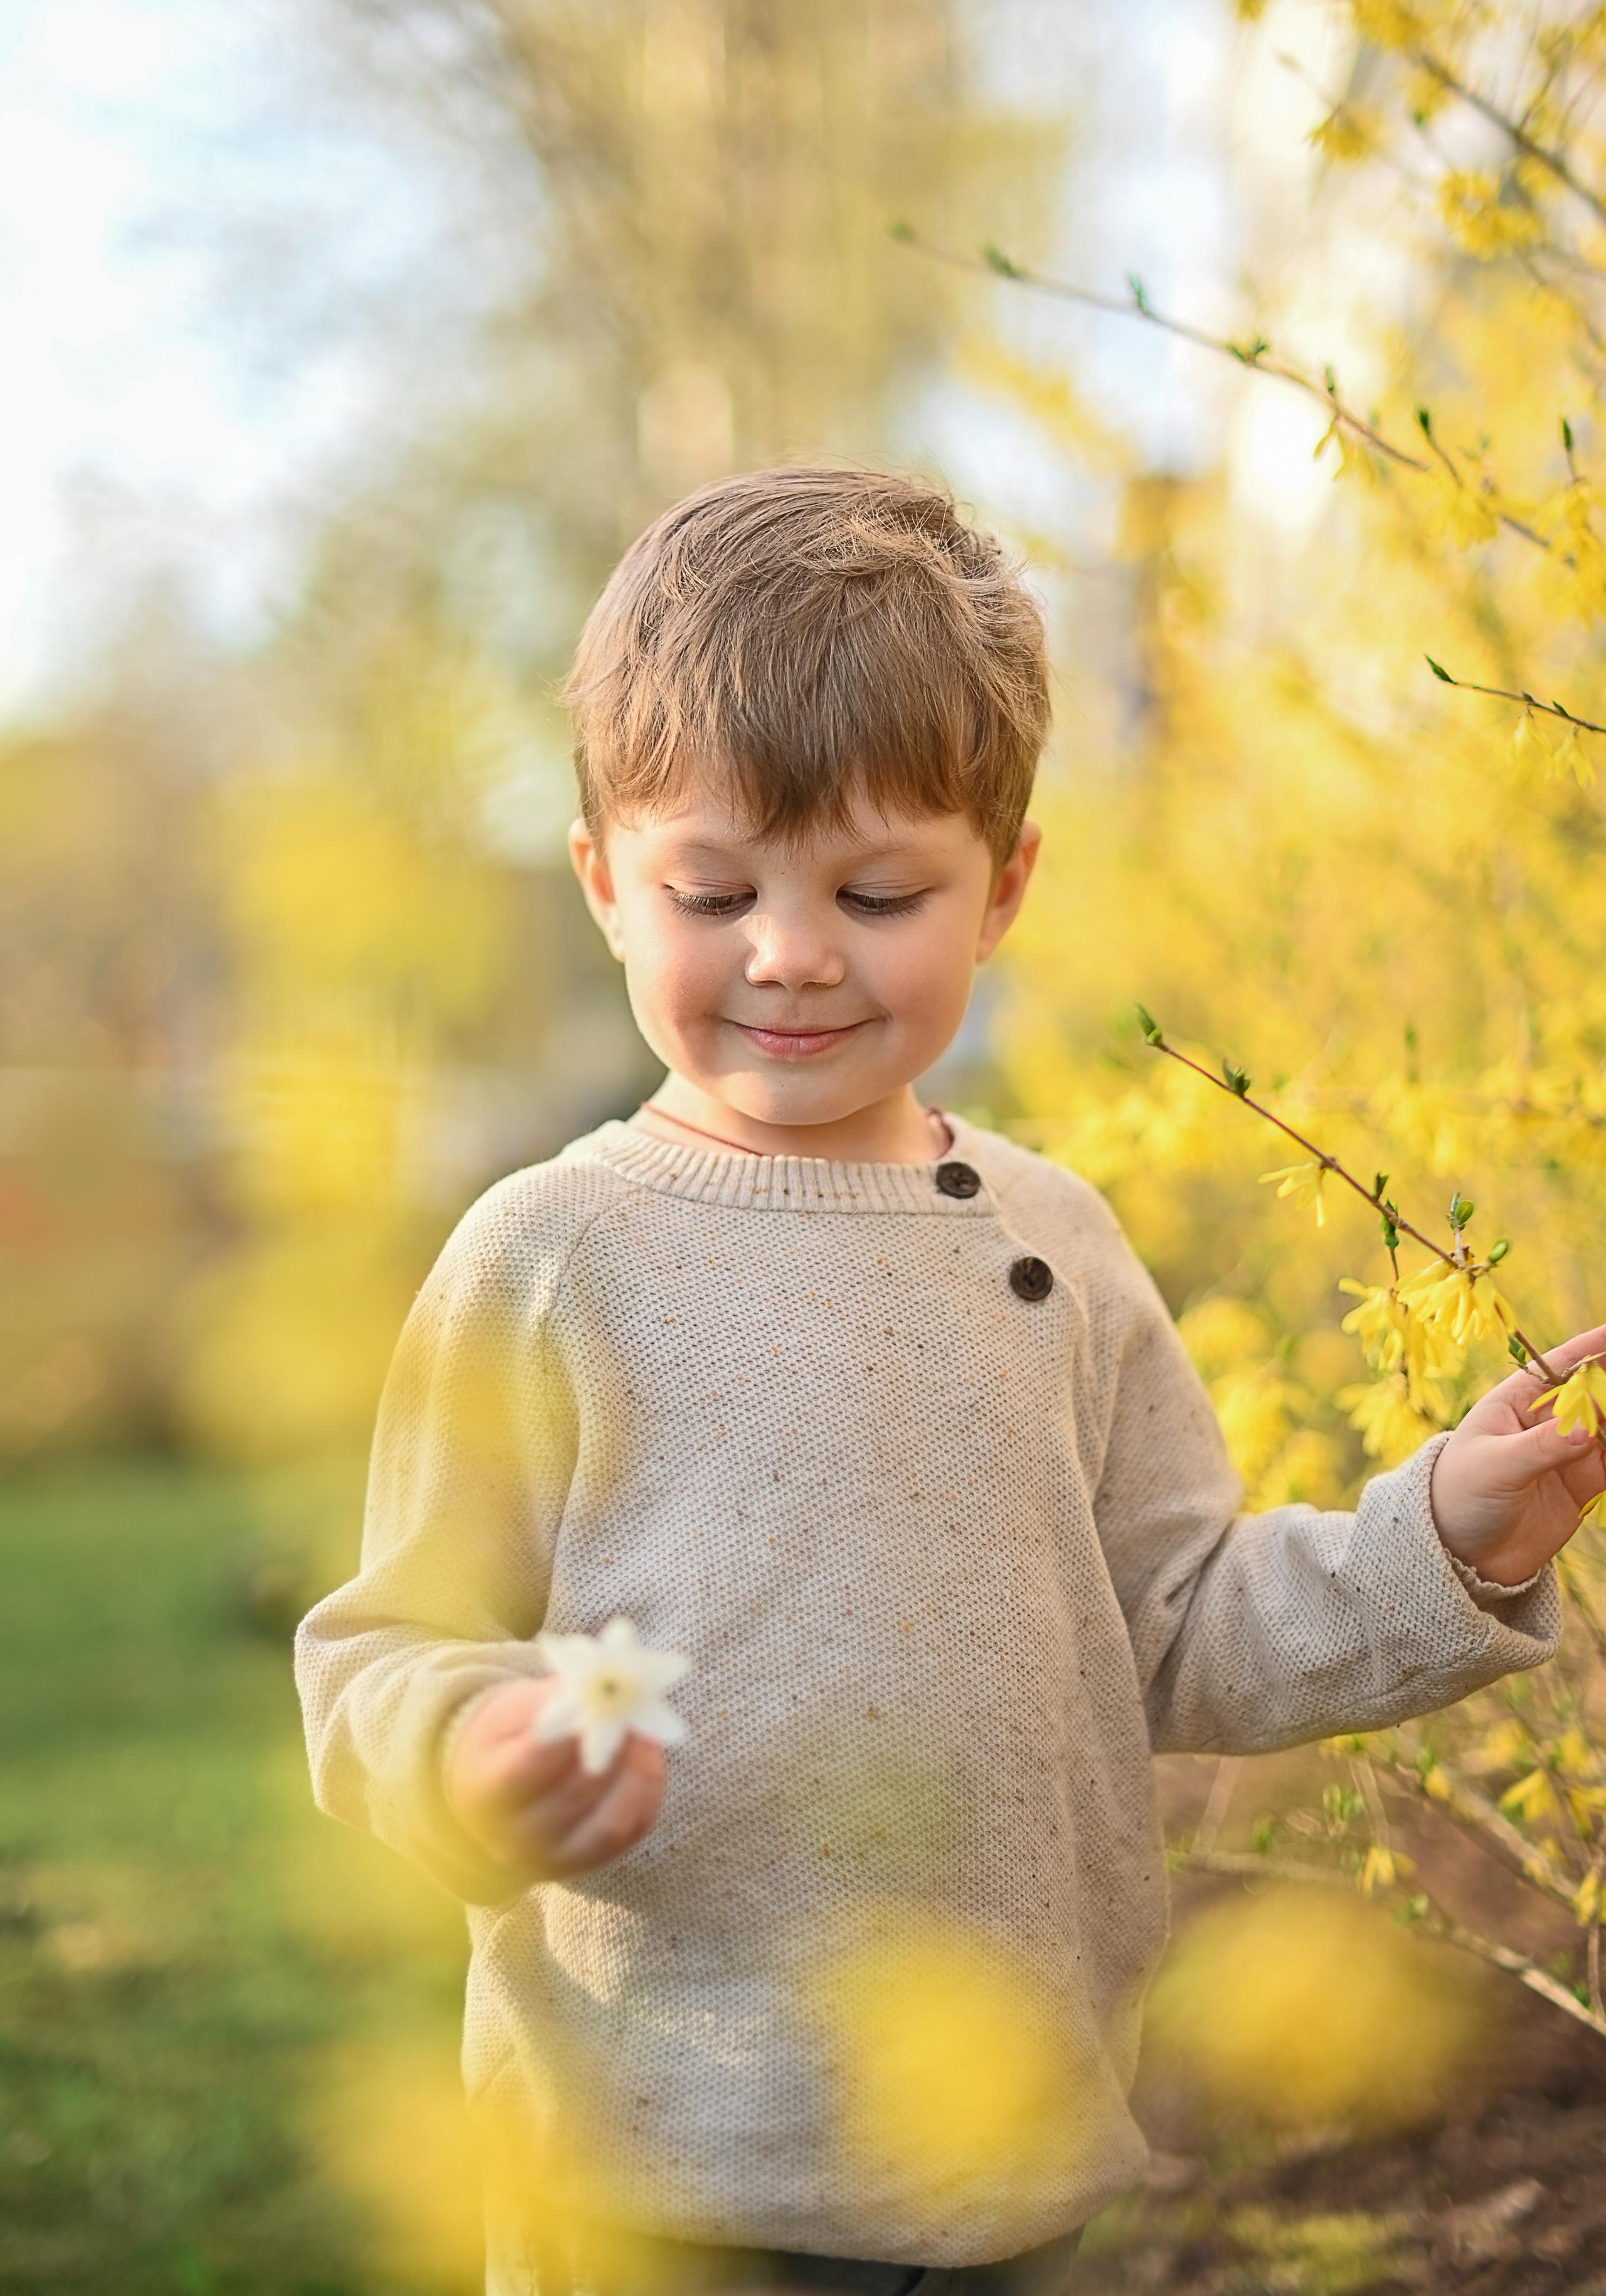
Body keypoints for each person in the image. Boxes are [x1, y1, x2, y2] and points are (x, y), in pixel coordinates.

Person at [295, 465, 1606, 2296]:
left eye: (880, 887)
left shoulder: (1056, 1249)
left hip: (1014, 2164)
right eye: (713, 886)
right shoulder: (548, 1254)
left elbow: (1171, 1622)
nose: (793, 950)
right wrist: (462, 1747)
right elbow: (383, 1643)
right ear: (602, 881)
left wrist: (1440, 1548)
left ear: (1003, 891)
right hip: (654, 2161)